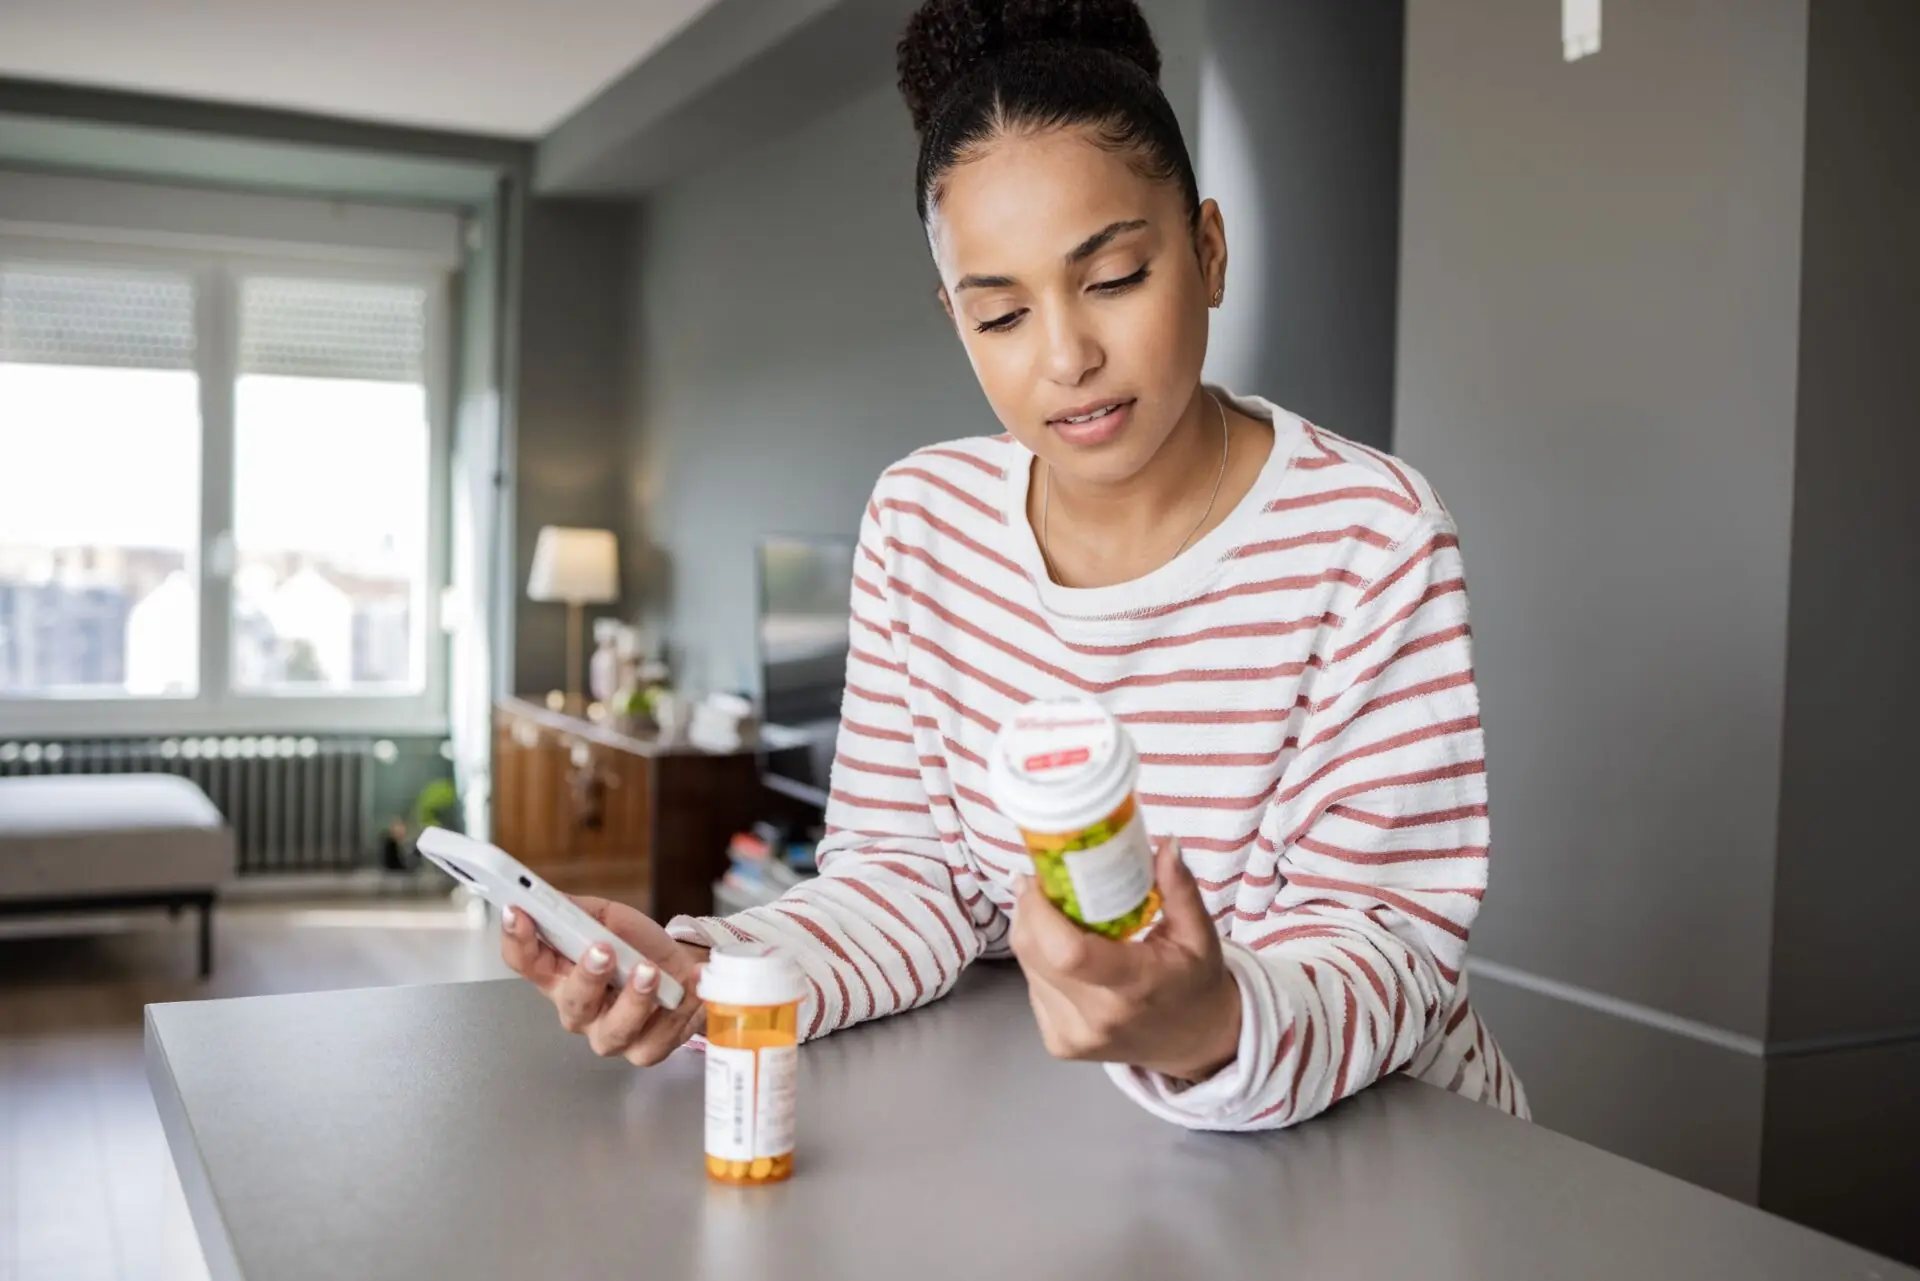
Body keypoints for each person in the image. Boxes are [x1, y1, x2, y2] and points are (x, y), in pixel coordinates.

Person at [502, 0, 1527, 1130]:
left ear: (1210, 250)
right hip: (1112, 1171)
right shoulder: (923, 520)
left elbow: (1383, 941)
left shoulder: (1369, 534)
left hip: (1398, 1152)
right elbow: (911, 881)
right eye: (1000, 316)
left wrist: (1209, 1020)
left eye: (1117, 277)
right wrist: (715, 976)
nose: (1068, 358)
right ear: (956, 320)